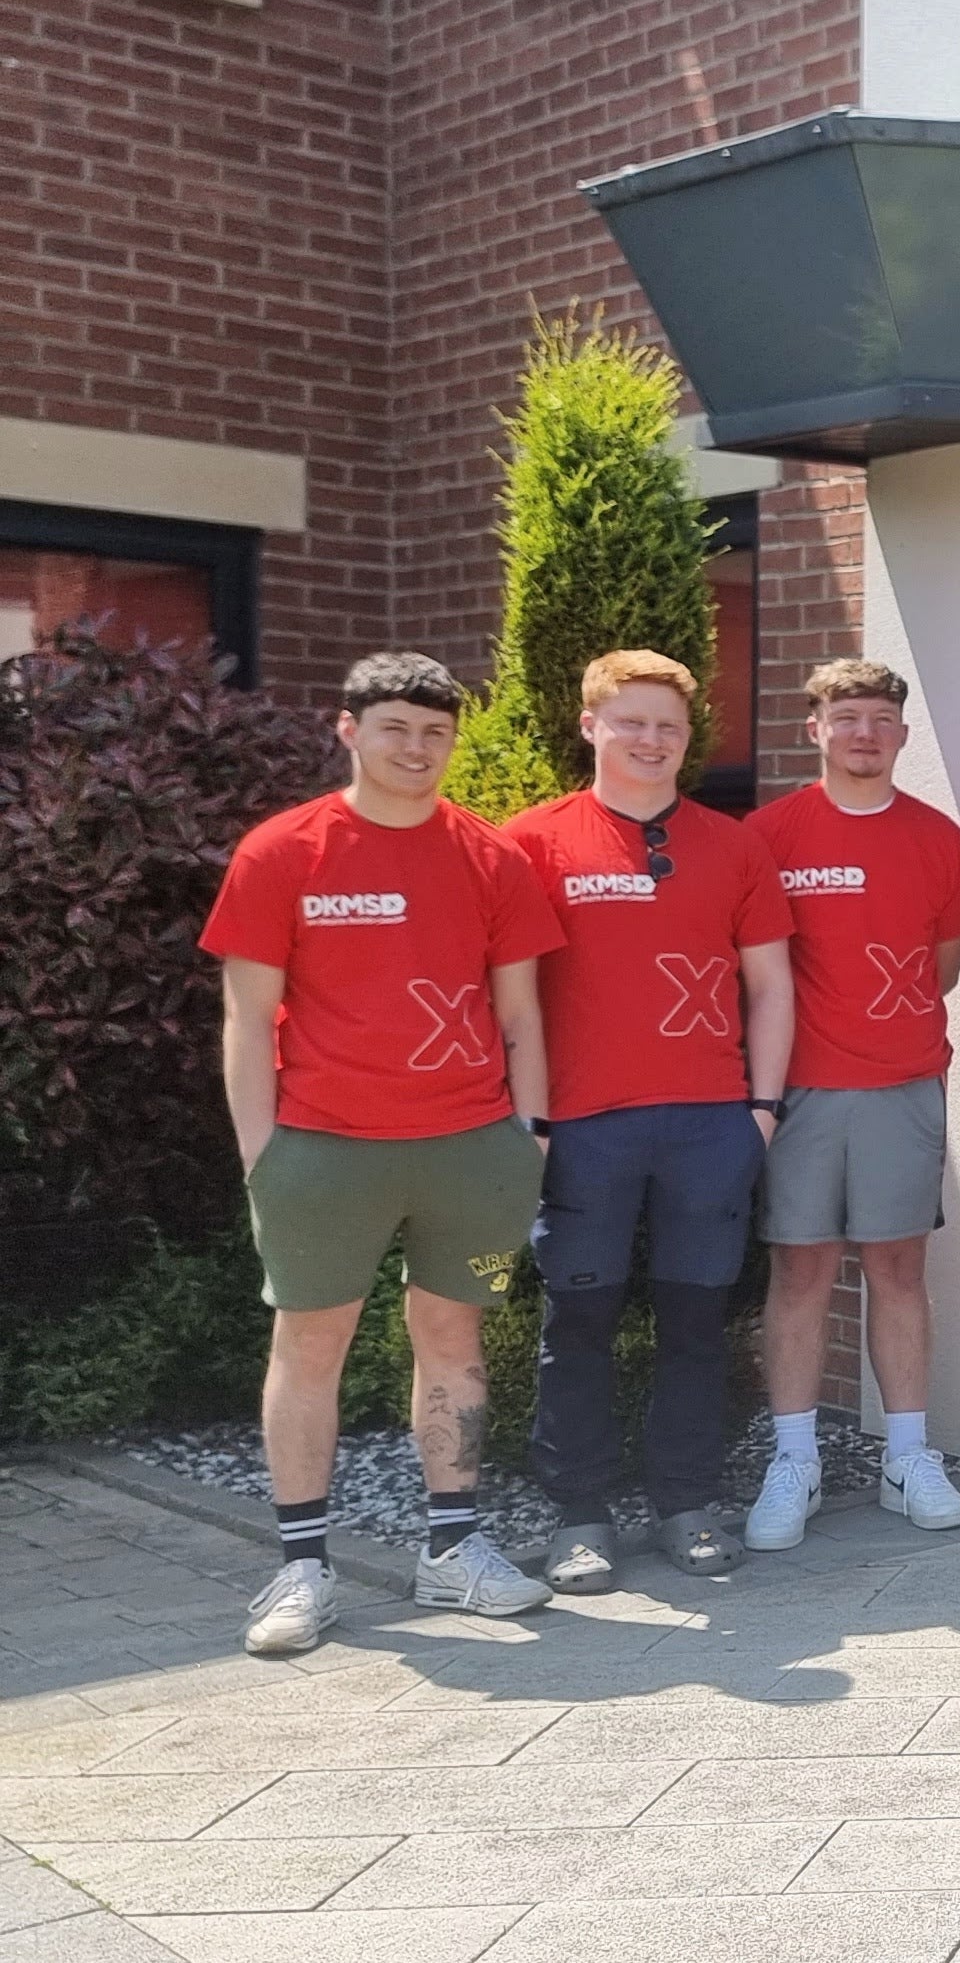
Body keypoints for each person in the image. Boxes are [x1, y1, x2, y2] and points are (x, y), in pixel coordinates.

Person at [206, 653, 560, 1655]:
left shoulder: (491, 859)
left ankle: (452, 1552)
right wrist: (259, 1152)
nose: (418, 748)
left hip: (470, 1149)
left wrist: (526, 1136)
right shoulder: (285, 853)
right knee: (308, 1350)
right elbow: (246, 1016)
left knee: (452, 1343)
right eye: (397, 727)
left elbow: (523, 1010)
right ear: (348, 728)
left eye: (436, 731)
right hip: (323, 1150)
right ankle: (300, 1572)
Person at [505, 650, 795, 1589]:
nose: (651, 739)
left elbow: (772, 987)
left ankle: (688, 1503)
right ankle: (580, 1515)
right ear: (590, 725)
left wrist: (761, 1110)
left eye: (668, 725)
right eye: (630, 721)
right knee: (577, 1320)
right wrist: (530, 1119)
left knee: (698, 1321)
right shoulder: (530, 843)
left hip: (710, 1124)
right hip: (583, 1128)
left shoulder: (735, 844)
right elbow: (502, 997)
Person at [743, 660, 960, 1551]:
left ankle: (908, 1456)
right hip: (801, 1089)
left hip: (903, 1082)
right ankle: (795, 1458)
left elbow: (947, 964)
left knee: (899, 1269)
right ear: (815, 729)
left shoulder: (938, 839)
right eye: (846, 717)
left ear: (903, 734)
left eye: (881, 718)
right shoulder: (769, 835)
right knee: (801, 1272)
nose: (864, 733)